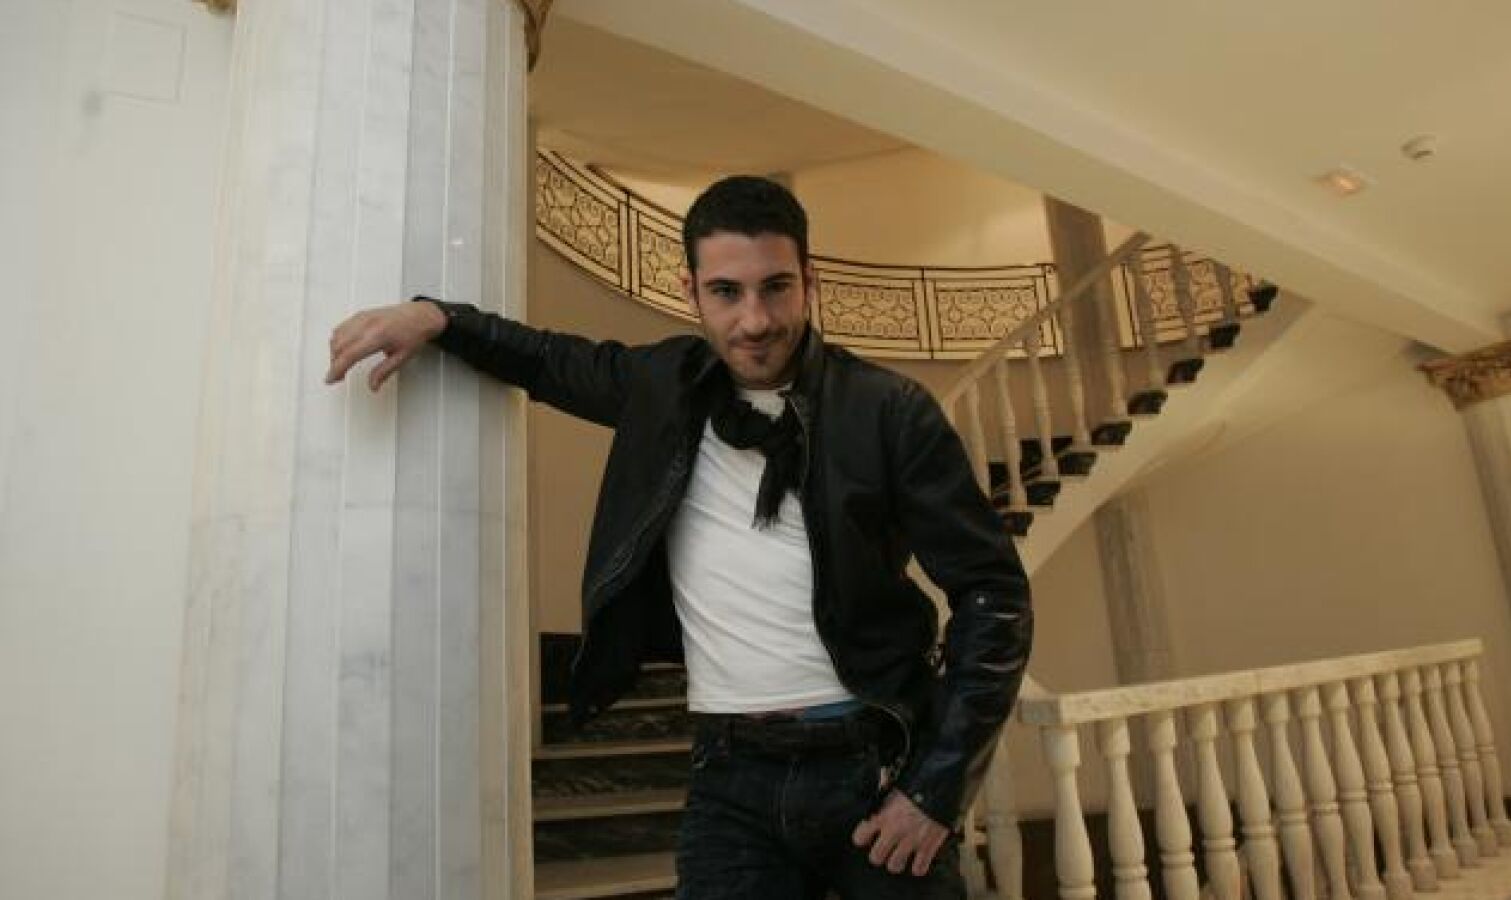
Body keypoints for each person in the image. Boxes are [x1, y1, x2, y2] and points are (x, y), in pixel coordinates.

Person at [325, 176, 1032, 899]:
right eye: (726, 291)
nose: (755, 320)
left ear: (809, 282)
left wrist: (936, 791)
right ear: (690, 291)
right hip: (730, 777)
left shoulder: (888, 411)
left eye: (776, 288)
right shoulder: (661, 388)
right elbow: (544, 359)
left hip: (873, 766)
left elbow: (994, 594)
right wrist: (437, 317)